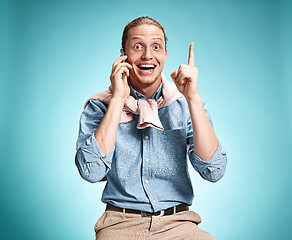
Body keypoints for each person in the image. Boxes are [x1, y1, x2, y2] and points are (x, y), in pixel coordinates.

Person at [75, 16, 227, 240]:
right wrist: (118, 99)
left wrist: (193, 99)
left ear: (165, 54)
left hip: (178, 225)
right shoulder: (100, 106)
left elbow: (214, 171)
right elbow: (91, 171)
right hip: (119, 225)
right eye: (138, 46)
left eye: (156, 46)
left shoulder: (184, 104)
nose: (147, 55)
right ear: (123, 55)